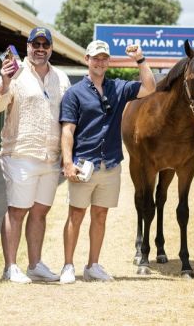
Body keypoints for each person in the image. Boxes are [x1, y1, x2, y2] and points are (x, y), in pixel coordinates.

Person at [58, 40, 155, 284]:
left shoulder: (119, 88)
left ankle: (93, 265)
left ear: (108, 61)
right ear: (87, 60)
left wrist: (140, 59)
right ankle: (68, 266)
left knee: (100, 215)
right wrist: (68, 163)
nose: (99, 62)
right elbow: (67, 130)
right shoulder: (74, 93)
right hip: (83, 165)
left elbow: (150, 87)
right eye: (95, 58)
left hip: (110, 163)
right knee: (76, 215)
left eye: (104, 58)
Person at [0, 27, 71, 284]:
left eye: (45, 45)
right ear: (27, 47)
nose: (40, 49)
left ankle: (35, 265)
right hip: (20, 153)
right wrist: (4, 81)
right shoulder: (15, 72)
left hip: (50, 156)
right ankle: (10, 267)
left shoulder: (62, 78)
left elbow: (69, 117)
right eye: (36, 44)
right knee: (17, 210)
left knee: (40, 212)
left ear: (51, 49)